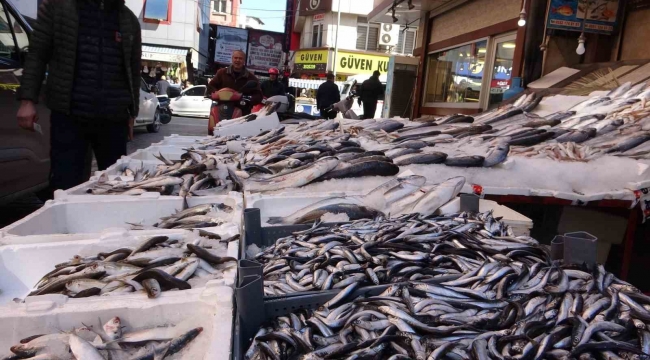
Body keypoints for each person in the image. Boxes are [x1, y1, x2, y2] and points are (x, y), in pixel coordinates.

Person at [16, 0, 141, 192]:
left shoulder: (129, 20)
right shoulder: (58, 9)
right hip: (69, 114)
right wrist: (27, 100)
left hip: (114, 117)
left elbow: (132, 70)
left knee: (117, 185)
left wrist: (132, 113)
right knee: (65, 184)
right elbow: (37, 55)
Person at [207, 50, 262, 115]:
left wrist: (248, 99)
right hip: (221, 109)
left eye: (240, 58)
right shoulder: (221, 73)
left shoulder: (251, 77)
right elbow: (211, 86)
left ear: (244, 61)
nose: (237, 60)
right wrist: (217, 94)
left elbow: (259, 95)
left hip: (242, 112)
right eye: (235, 58)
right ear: (232, 59)